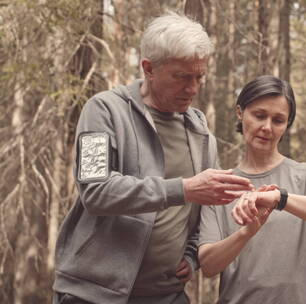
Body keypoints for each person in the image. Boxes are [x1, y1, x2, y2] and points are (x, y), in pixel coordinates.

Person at [52, 12, 254, 304]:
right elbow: (95, 192)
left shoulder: (199, 130)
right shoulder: (103, 110)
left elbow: (206, 207)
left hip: (167, 295)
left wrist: (192, 253)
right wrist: (182, 189)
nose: (193, 88)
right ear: (149, 68)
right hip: (93, 294)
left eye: (199, 77)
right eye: (181, 77)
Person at [198, 75, 306, 304]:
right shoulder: (220, 186)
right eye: (259, 115)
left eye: (278, 120)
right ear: (240, 112)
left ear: (287, 125)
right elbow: (208, 265)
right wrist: (246, 232)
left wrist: (279, 198)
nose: (266, 127)